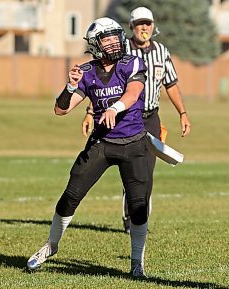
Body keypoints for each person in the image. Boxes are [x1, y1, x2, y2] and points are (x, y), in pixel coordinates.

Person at [26, 17, 151, 279]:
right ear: (95, 44)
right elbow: (61, 110)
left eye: (116, 36)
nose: (114, 41)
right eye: (107, 38)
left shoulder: (132, 63)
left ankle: (137, 262)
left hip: (134, 143)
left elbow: (133, 92)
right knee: (70, 195)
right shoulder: (87, 71)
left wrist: (114, 108)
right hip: (102, 144)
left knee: (138, 206)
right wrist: (71, 85)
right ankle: (51, 245)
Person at [82, 6, 191, 233]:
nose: (144, 28)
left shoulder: (161, 51)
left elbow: (170, 84)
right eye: (140, 23)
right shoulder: (120, 52)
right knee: (129, 169)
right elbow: (102, 84)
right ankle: (130, 219)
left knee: (146, 172)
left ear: (153, 26)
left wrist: (182, 112)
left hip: (150, 117)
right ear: (131, 27)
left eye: (148, 23)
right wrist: (90, 112)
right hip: (124, 117)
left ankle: (139, 221)